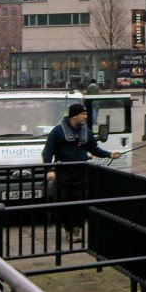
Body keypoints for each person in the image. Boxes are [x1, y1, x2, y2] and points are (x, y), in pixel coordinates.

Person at [42, 103, 120, 241]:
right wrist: (49, 170)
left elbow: (94, 149)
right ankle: (68, 227)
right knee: (63, 202)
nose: (86, 116)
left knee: (80, 202)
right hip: (63, 174)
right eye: (83, 114)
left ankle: (76, 230)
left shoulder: (87, 131)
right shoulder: (57, 132)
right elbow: (47, 153)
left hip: (81, 173)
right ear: (75, 116)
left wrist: (109, 154)